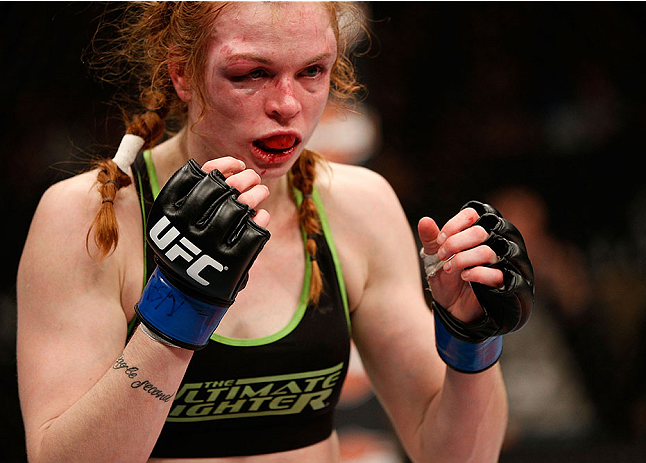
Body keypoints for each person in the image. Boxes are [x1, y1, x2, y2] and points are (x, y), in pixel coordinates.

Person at [16, 2, 533, 462]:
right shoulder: (90, 217)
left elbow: (454, 456)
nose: (287, 104)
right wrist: (176, 312)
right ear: (182, 73)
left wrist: (472, 340)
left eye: (312, 71)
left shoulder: (359, 206)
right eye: (250, 73)